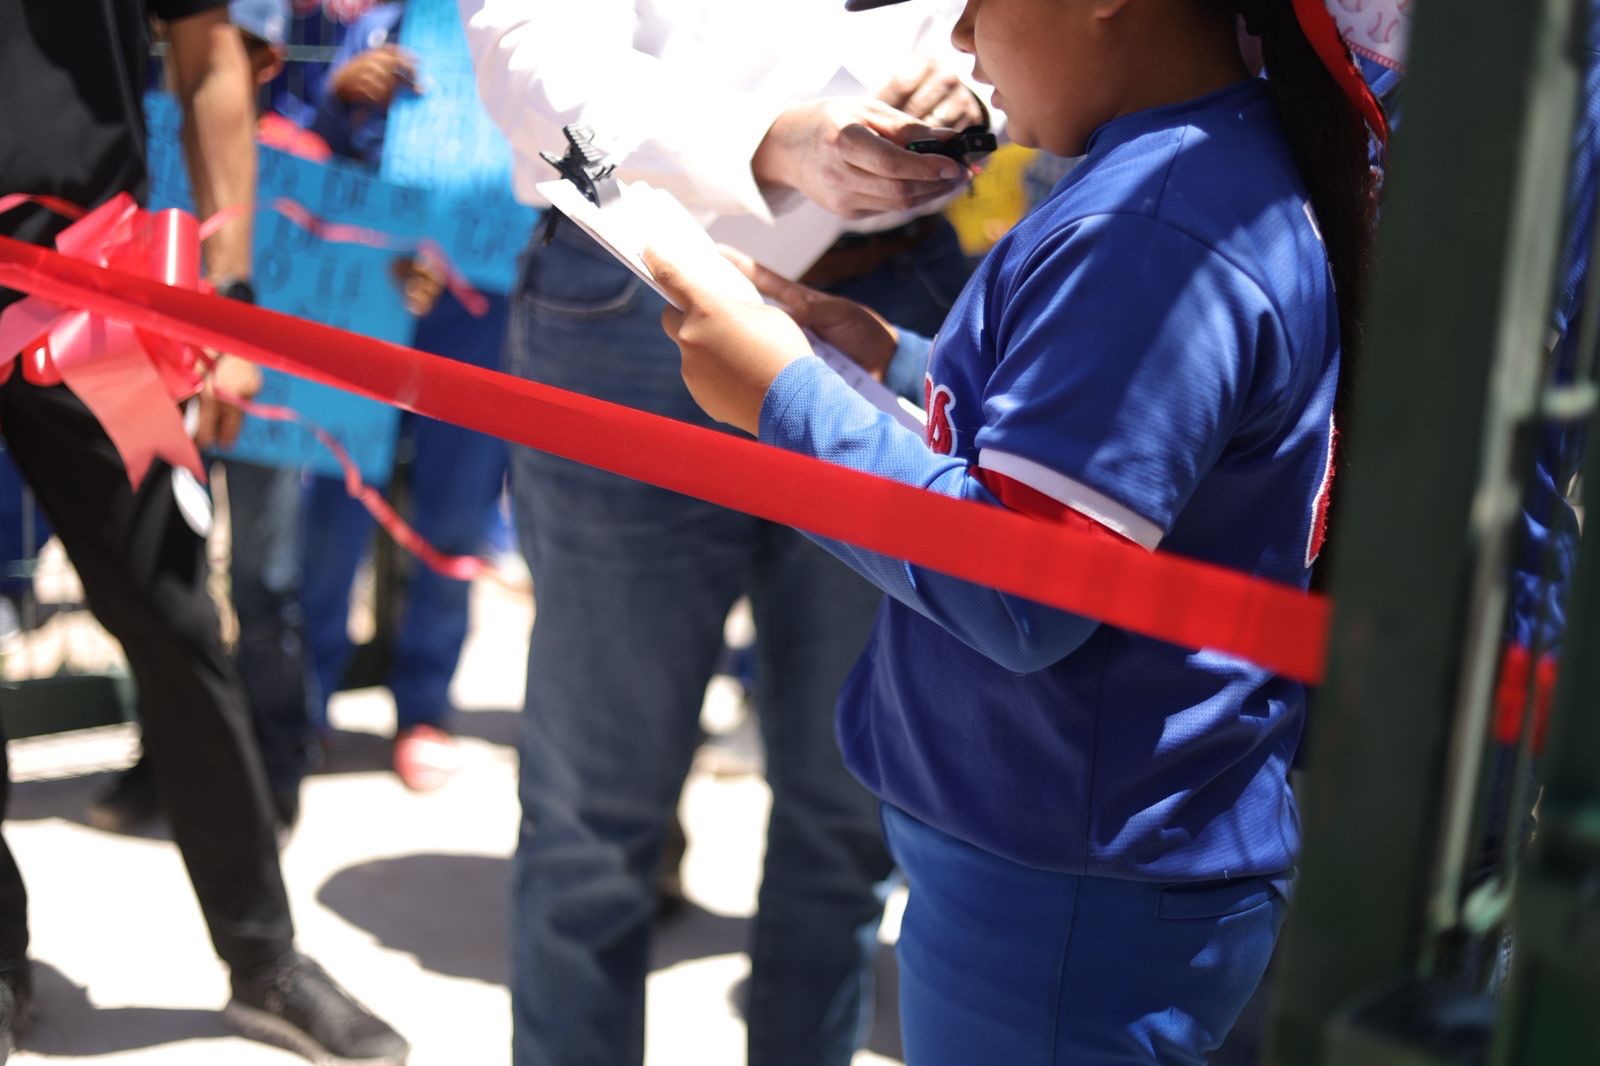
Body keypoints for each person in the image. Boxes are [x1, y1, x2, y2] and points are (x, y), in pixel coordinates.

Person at [645, 0, 1383, 1059]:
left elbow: (1026, 589)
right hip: (1071, 854)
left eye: (974, 2)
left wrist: (780, 400)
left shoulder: (1153, 224)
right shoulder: (1184, 170)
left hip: (1068, 876)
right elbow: (1080, 458)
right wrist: (888, 361)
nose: (956, 42)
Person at [462, 1, 986, 1062]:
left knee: (849, 818)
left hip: (887, 303)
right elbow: (522, 44)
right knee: (595, 813)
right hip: (633, 284)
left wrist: (976, 92)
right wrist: (763, 141)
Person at [0, 2, 408, 1062]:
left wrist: (224, 300)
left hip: (83, 290)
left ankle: (264, 958)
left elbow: (208, 55)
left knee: (179, 627)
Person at [89, 0, 319, 839]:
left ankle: (279, 761)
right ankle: (170, 758)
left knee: (265, 576)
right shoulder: (129, 114)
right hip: (143, 331)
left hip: (260, 348)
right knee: (161, 567)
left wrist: (236, 324)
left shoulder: (313, 125)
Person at [299, 0, 511, 792]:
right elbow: (303, 142)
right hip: (373, 290)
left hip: (486, 303)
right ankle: (308, 699)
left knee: (458, 512)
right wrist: (341, 96)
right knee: (336, 493)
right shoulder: (383, 23)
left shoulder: (557, 22)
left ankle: (424, 704)